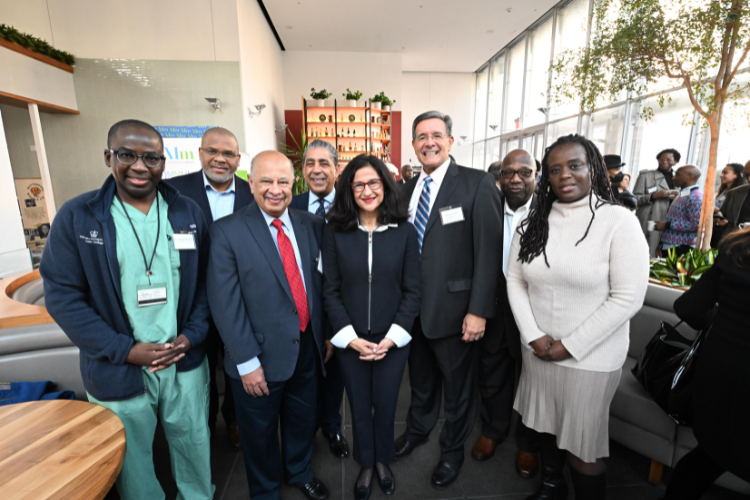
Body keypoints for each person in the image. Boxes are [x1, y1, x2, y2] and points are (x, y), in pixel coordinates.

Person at [40, 119, 214, 500]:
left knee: (194, 447)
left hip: (182, 360)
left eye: (151, 157)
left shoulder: (186, 212)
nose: (139, 166)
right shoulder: (78, 217)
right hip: (119, 366)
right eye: (127, 155)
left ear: (163, 163)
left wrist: (191, 336)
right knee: (132, 461)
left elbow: (204, 284)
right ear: (108, 158)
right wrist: (124, 350)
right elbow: (63, 297)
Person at [507, 134, 649, 500]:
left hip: (590, 357)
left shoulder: (618, 221)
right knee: (547, 429)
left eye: (575, 166)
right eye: (555, 169)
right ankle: (552, 488)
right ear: (546, 177)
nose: (565, 175)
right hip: (538, 351)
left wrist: (569, 346)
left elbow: (627, 298)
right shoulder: (531, 221)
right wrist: (533, 336)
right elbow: (515, 280)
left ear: (594, 169)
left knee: (582, 447)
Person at [207, 151, 329, 500]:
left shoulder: (311, 226)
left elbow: (320, 286)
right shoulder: (227, 231)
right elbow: (224, 303)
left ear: (295, 184)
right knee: (258, 434)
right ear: (250, 182)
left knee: (302, 420)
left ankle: (300, 471)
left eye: (283, 181)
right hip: (256, 357)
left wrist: (325, 336)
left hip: (306, 346)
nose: (275, 189)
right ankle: (265, 491)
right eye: (266, 181)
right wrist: (247, 363)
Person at [396, 111, 503, 488]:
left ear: (451, 141)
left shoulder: (477, 184)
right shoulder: (405, 190)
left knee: (458, 389)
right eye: (421, 136)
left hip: (458, 313)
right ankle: (417, 430)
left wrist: (478, 311)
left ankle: (452, 449)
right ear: (413, 145)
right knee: (421, 382)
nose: (429, 142)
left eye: (436, 135)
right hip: (413, 313)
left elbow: (489, 254)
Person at [323, 155, 420, 500]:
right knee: (359, 405)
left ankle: (383, 461)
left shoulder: (404, 232)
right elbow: (330, 291)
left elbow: (412, 291)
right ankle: (367, 463)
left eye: (374, 183)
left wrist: (393, 338)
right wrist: (349, 338)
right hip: (352, 340)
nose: (368, 190)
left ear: (386, 185)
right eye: (359, 184)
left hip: (392, 338)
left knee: (386, 402)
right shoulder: (335, 232)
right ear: (349, 189)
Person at [165, 126, 252, 450]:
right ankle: (201, 424)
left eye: (228, 153)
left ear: (238, 159)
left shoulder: (251, 192)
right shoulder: (172, 191)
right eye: (212, 151)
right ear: (200, 153)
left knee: (235, 363)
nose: (220, 158)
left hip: (240, 300)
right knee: (198, 364)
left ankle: (233, 420)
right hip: (191, 300)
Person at [661, 227, 750, 500]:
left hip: (718, 371)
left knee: (710, 455)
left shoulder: (738, 248)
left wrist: (723, 325)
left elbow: (687, 307)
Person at [473, 151, 542, 481]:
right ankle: (493, 430)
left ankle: (528, 442)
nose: (516, 179)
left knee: (532, 377)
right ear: (499, 177)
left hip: (536, 309)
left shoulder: (549, 212)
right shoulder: (486, 207)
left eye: (524, 172)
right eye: (508, 173)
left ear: (536, 174)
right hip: (496, 305)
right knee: (493, 371)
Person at [289, 139, 349, 460]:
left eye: (324, 163)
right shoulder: (290, 204)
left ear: (336, 169)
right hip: (302, 308)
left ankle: (332, 425)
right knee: (304, 372)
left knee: (335, 372)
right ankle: (305, 428)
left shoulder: (355, 205)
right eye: (310, 163)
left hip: (341, 307)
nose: (316, 170)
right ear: (302, 170)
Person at [633, 148, 682, 256]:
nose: (664, 161)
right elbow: (634, 199)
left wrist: (677, 198)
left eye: (669, 159)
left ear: (676, 161)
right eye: (661, 159)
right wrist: (653, 196)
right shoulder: (646, 176)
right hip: (650, 219)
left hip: (670, 221)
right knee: (646, 252)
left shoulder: (679, 178)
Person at [654, 165, 703, 257]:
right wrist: (662, 243)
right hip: (670, 246)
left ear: (690, 176)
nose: (673, 177)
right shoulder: (684, 193)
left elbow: (697, 224)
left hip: (680, 248)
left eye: (678, 174)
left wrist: (667, 225)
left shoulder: (696, 196)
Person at [712, 163, 747, 247]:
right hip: (717, 229)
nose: (721, 175)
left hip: (728, 232)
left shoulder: (740, 194)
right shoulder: (723, 190)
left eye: (725, 173)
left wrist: (715, 209)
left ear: (736, 175)